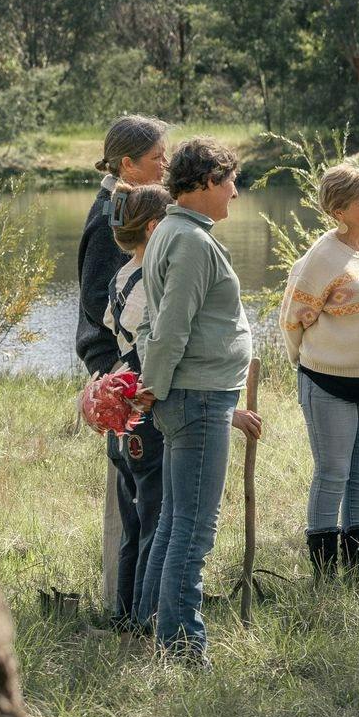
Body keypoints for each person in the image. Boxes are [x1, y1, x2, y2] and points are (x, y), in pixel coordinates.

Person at [132, 137, 263, 661]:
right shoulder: (188, 241)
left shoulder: (171, 230)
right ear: (206, 181)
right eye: (230, 180)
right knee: (193, 529)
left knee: (173, 520)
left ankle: (148, 624)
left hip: (193, 395)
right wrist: (153, 389)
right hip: (198, 399)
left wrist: (154, 386)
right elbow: (167, 328)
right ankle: (183, 647)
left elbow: (151, 323)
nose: (235, 191)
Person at [281, 164, 359, 578]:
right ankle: (324, 573)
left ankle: (356, 567)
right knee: (333, 473)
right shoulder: (322, 256)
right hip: (327, 381)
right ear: (339, 210)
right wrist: (310, 363)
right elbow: (293, 319)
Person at [77, 114, 167, 621]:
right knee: (132, 499)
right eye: (158, 158)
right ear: (127, 164)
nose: (166, 165)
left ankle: (128, 606)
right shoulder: (109, 215)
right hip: (116, 368)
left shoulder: (128, 204)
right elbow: (96, 301)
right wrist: (123, 370)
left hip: (124, 365)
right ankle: (125, 608)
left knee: (133, 497)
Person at [102, 182, 171, 633]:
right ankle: (147, 617)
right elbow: (149, 349)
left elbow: (112, 329)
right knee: (154, 518)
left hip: (120, 408)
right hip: (142, 412)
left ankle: (125, 611)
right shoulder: (150, 280)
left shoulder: (121, 274)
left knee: (135, 522)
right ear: (154, 227)